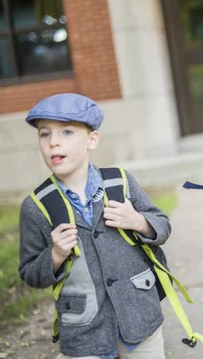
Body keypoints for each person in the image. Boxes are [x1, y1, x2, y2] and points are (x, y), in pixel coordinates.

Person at [19, 93, 170, 359]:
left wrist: (138, 222)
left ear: (92, 139)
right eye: (45, 134)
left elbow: (163, 226)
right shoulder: (36, 206)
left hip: (140, 317)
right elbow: (30, 272)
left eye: (66, 132)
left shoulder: (120, 182)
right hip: (84, 332)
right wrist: (54, 256)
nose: (53, 142)